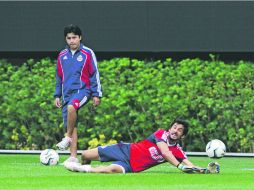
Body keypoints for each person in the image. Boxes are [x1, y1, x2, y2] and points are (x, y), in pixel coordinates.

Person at [64, 118, 220, 174]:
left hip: (132, 166)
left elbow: (189, 165)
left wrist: (206, 171)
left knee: (109, 170)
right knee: (85, 155)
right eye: (174, 127)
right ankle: (83, 170)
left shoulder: (178, 151)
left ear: (182, 136)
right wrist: (179, 166)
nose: (176, 131)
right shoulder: (160, 134)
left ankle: (81, 170)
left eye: (180, 130)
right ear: (170, 128)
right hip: (124, 149)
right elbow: (165, 153)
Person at [54, 24, 102, 163]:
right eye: (68, 38)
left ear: (80, 37)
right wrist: (57, 95)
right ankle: (73, 157)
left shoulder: (87, 53)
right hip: (66, 94)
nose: (71, 41)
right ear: (66, 39)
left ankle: (67, 138)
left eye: (74, 37)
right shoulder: (62, 55)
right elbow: (59, 77)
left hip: (83, 91)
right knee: (72, 124)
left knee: (71, 108)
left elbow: (94, 74)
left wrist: (96, 94)